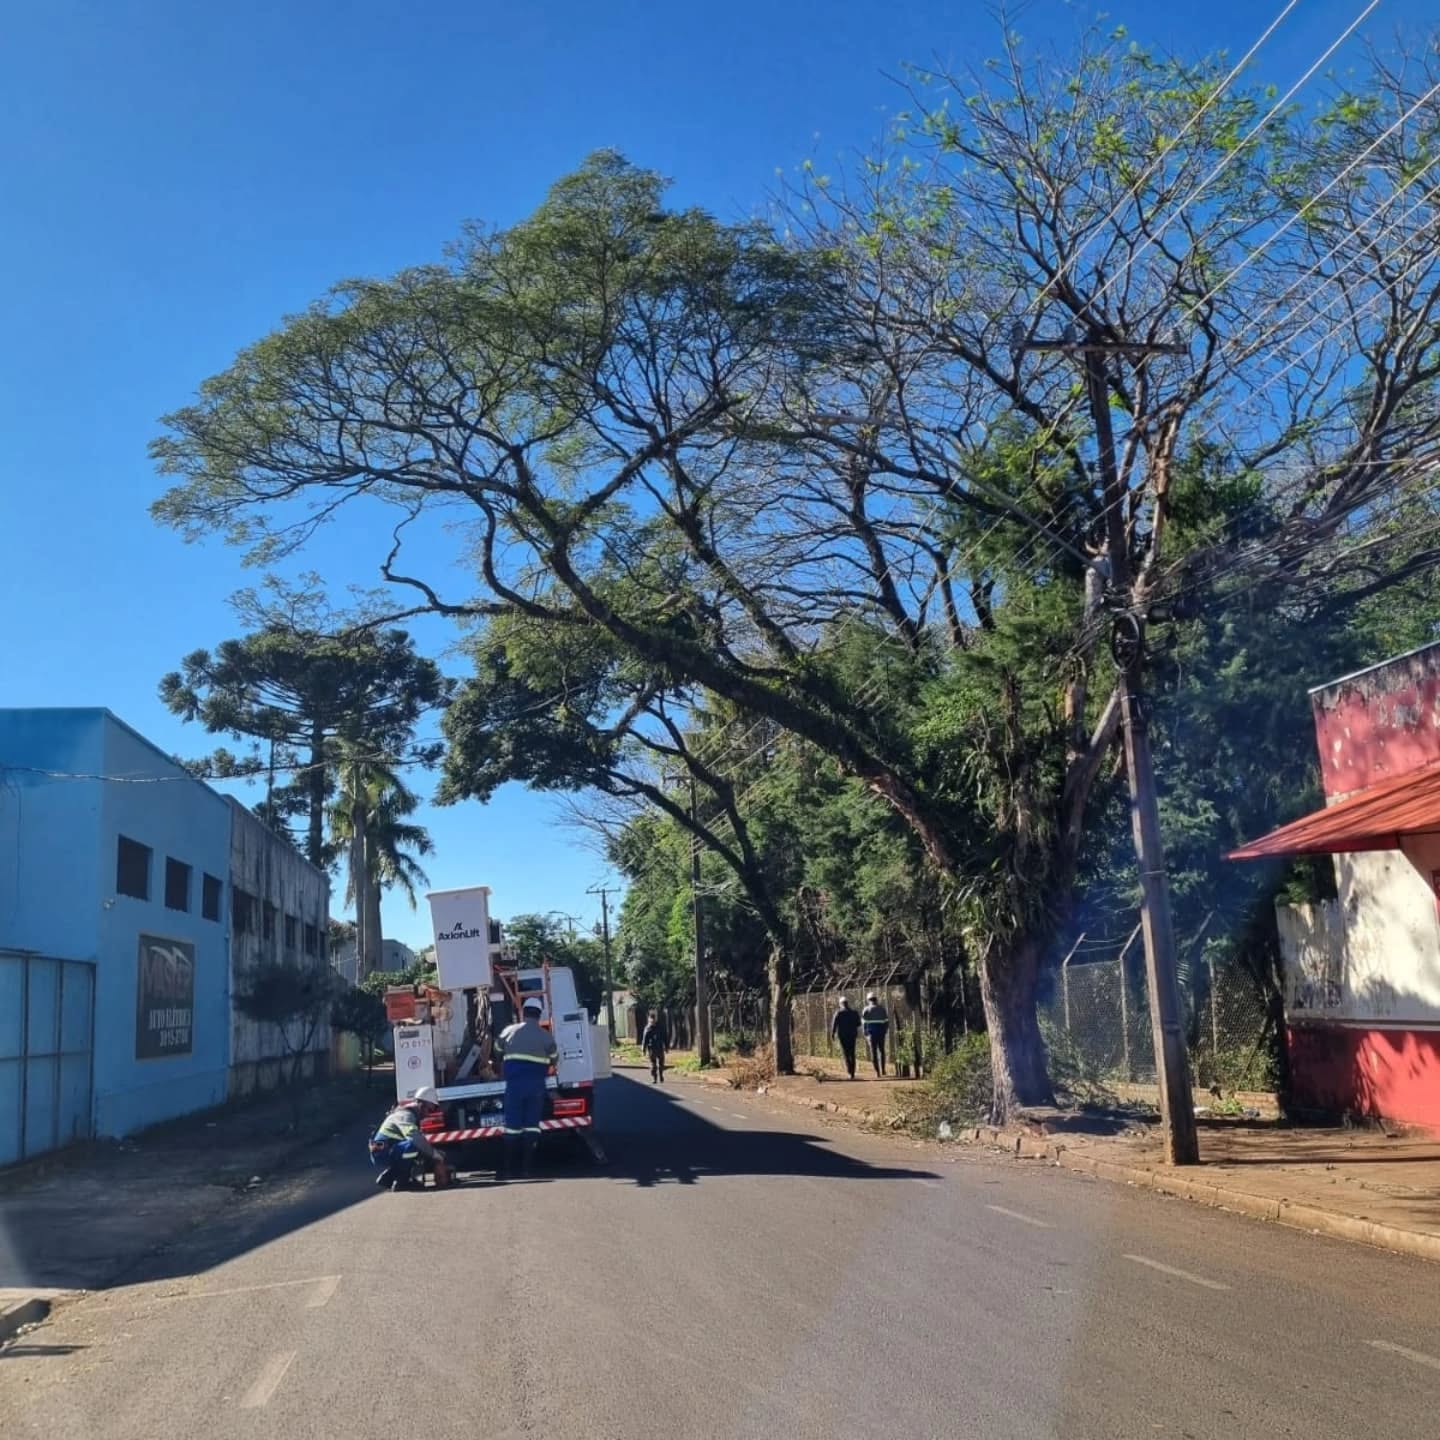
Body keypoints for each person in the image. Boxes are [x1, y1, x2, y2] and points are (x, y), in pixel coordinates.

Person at [495, 998, 558, 1178]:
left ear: (523, 1013)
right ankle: (527, 1169)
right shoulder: (546, 1037)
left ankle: (508, 1169)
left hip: (514, 1086)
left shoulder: (509, 1031)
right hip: (536, 1087)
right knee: (532, 1126)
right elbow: (554, 1058)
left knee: (512, 1127)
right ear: (539, 1014)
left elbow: (497, 1049)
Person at [369, 1086, 451, 1191]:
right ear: (421, 1104)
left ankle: (388, 1178)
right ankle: (402, 1182)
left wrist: (433, 1154)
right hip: (382, 1152)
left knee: (419, 1150)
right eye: (429, 1110)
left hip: (387, 1150)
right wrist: (434, 1154)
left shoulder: (410, 1115)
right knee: (413, 1147)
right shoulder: (406, 1115)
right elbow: (414, 1137)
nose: (428, 1114)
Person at [830, 996, 861, 1079]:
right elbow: (858, 1023)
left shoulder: (838, 1013)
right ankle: (853, 1072)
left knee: (846, 1053)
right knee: (852, 1053)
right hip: (852, 1035)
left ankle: (849, 1071)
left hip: (842, 1035)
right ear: (847, 1003)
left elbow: (834, 1024)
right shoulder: (854, 1012)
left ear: (841, 1004)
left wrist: (832, 1034)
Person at [861, 992, 890, 1077]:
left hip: (871, 1034)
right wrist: (884, 1031)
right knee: (882, 1051)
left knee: (873, 1052)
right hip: (881, 1033)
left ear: (868, 1000)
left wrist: (865, 1033)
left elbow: (864, 1023)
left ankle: (877, 1072)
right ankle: (883, 1069)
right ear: (876, 999)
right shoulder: (882, 1009)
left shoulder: (866, 1009)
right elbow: (886, 1022)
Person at [640, 1013, 669, 1083]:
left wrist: (666, 1047)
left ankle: (661, 1074)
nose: (652, 1021)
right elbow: (645, 1039)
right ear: (649, 1020)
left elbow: (665, 1037)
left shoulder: (660, 1027)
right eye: (651, 1020)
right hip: (652, 1048)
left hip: (660, 1047)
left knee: (661, 1064)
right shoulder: (648, 1028)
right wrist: (643, 1049)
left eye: (653, 1020)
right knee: (653, 1064)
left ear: (655, 1019)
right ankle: (655, 1077)